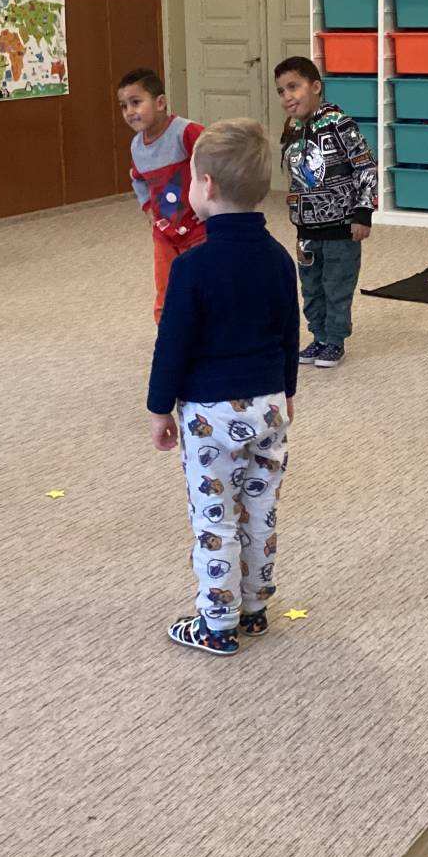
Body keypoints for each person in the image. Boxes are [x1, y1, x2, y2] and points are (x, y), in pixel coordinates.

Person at [147, 119, 299, 657]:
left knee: (217, 520)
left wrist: (158, 407)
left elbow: (173, 344)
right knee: (259, 513)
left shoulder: (193, 267)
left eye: (191, 177)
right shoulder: (278, 258)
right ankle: (254, 608)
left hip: (211, 415)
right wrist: (287, 390)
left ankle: (216, 623)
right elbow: (289, 332)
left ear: (206, 186)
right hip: (270, 408)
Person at [275, 56, 377, 369]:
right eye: (281, 91)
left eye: (294, 87)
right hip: (306, 228)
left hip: (341, 227)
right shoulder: (292, 128)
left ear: (316, 86)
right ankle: (318, 336)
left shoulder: (339, 123)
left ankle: (335, 340)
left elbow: (365, 166)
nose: (287, 96)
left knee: (337, 285)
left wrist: (363, 212)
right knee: (311, 286)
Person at [117, 67, 205, 323]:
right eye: (123, 106)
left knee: (203, 283)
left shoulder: (186, 132)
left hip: (199, 229)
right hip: (165, 232)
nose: (129, 111)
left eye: (136, 102)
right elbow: (138, 179)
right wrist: (147, 206)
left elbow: (218, 162)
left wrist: (214, 205)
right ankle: (169, 331)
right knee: (166, 288)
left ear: (160, 103)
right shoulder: (136, 146)